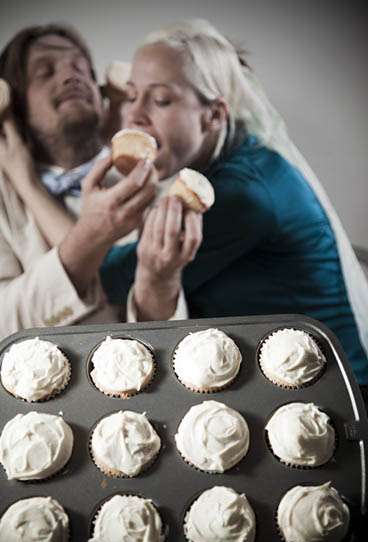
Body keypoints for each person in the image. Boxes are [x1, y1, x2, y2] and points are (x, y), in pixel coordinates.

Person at [96, 18, 368, 394]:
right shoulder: (238, 161)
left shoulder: (237, 194)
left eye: (160, 100)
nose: (134, 115)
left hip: (331, 392)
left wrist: (29, 183)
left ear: (214, 115)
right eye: (131, 96)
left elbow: (108, 280)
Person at [0, 23, 202, 419]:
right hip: (16, 420)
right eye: (46, 71)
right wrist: (91, 235)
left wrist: (160, 281)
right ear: (14, 106)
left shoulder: (152, 182)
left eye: (80, 67)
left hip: (135, 415)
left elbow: (164, 347)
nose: (70, 74)